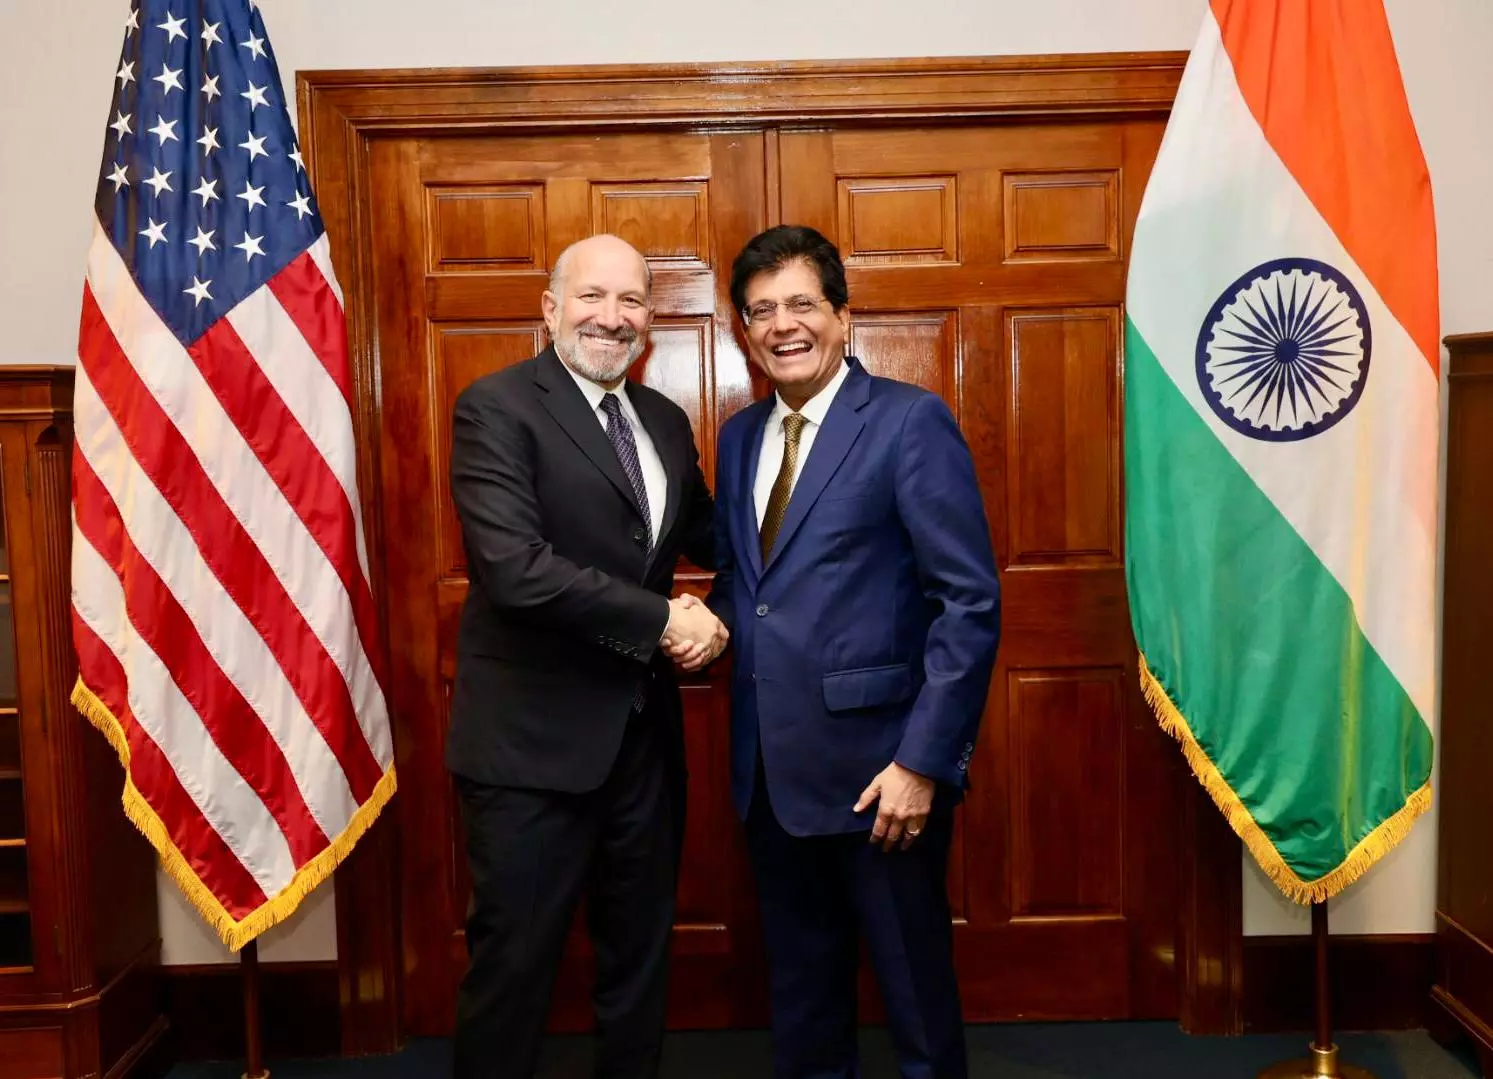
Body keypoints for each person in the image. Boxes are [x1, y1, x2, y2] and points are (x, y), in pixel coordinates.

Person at [704, 225, 1000, 1078]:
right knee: (801, 1002)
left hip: (882, 779)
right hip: (769, 778)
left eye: (801, 304)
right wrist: (693, 623)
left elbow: (967, 602)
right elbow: (744, 587)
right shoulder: (736, 439)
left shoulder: (909, 423)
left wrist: (922, 762)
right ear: (743, 330)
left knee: (913, 999)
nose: (781, 325)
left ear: (841, 315)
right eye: (761, 311)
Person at [446, 233, 728, 1079]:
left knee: (638, 965)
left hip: (643, 745)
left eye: (632, 300)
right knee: (513, 971)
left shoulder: (666, 421)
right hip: (530, 751)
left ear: (650, 318)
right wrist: (663, 620)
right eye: (592, 296)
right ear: (551, 309)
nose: (612, 317)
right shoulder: (495, 407)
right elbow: (515, 571)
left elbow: (715, 538)